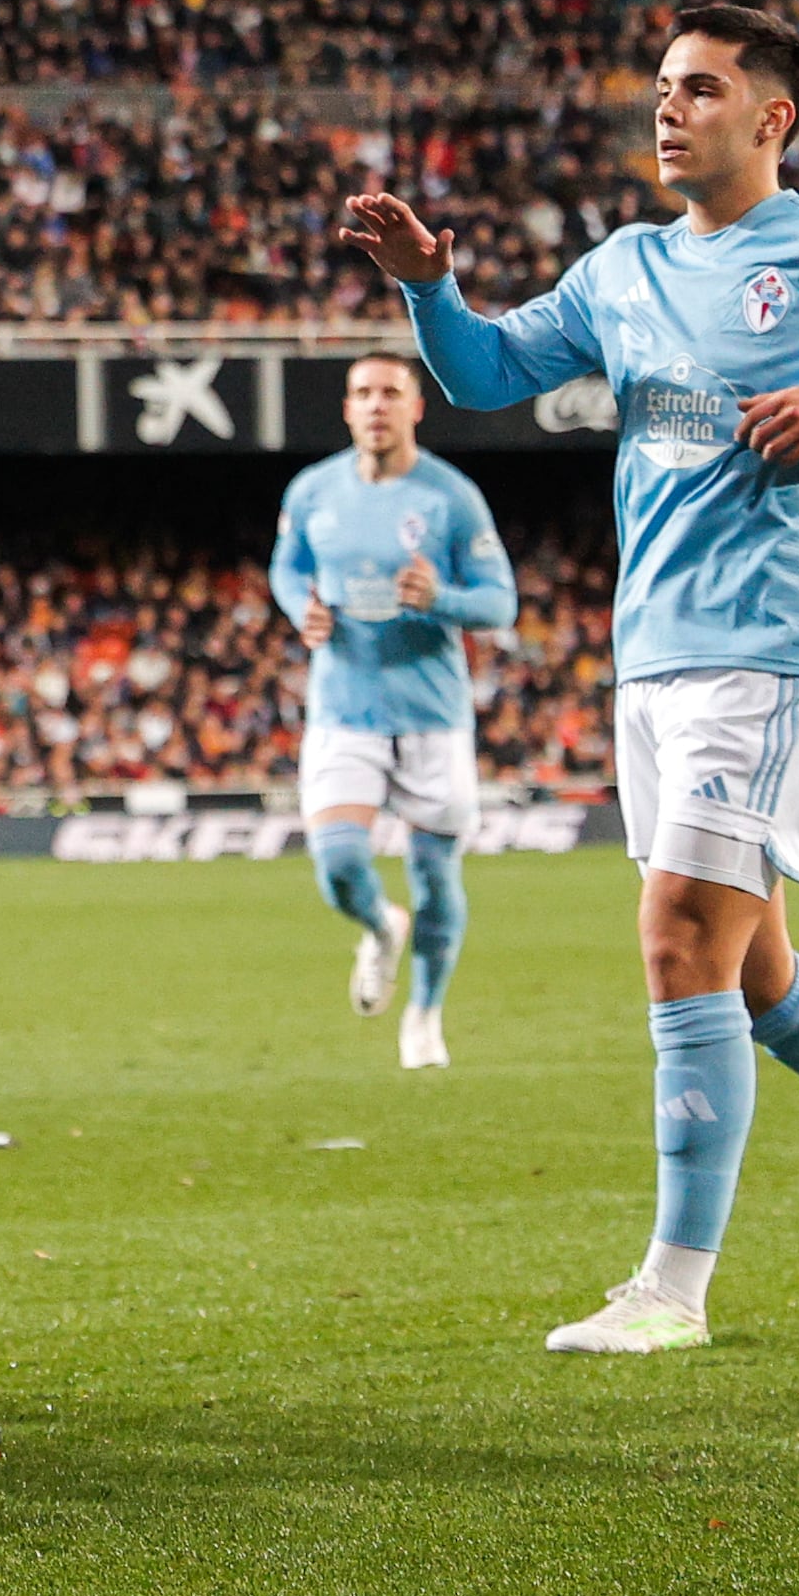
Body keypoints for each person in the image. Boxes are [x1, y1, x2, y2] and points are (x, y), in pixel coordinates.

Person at [336, 1, 799, 1357]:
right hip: (651, 655)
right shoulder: (624, 269)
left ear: (773, 118)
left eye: (703, 89)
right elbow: (483, 373)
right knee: (756, 975)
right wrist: (429, 285)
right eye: (664, 87)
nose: (670, 109)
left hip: (774, 653)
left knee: (676, 941)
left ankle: (671, 1285)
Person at [267, 347, 517, 1068]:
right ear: (347, 408)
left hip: (432, 716)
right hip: (344, 709)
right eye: (363, 392)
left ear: (415, 406)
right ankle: (379, 927)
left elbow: (501, 601)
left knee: (437, 877)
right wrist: (300, 610)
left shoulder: (451, 497)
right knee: (339, 864)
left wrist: (442, 598)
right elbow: (287, 567)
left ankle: (425, 1014)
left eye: (390, 391)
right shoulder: (313, 492)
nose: (376, 404)